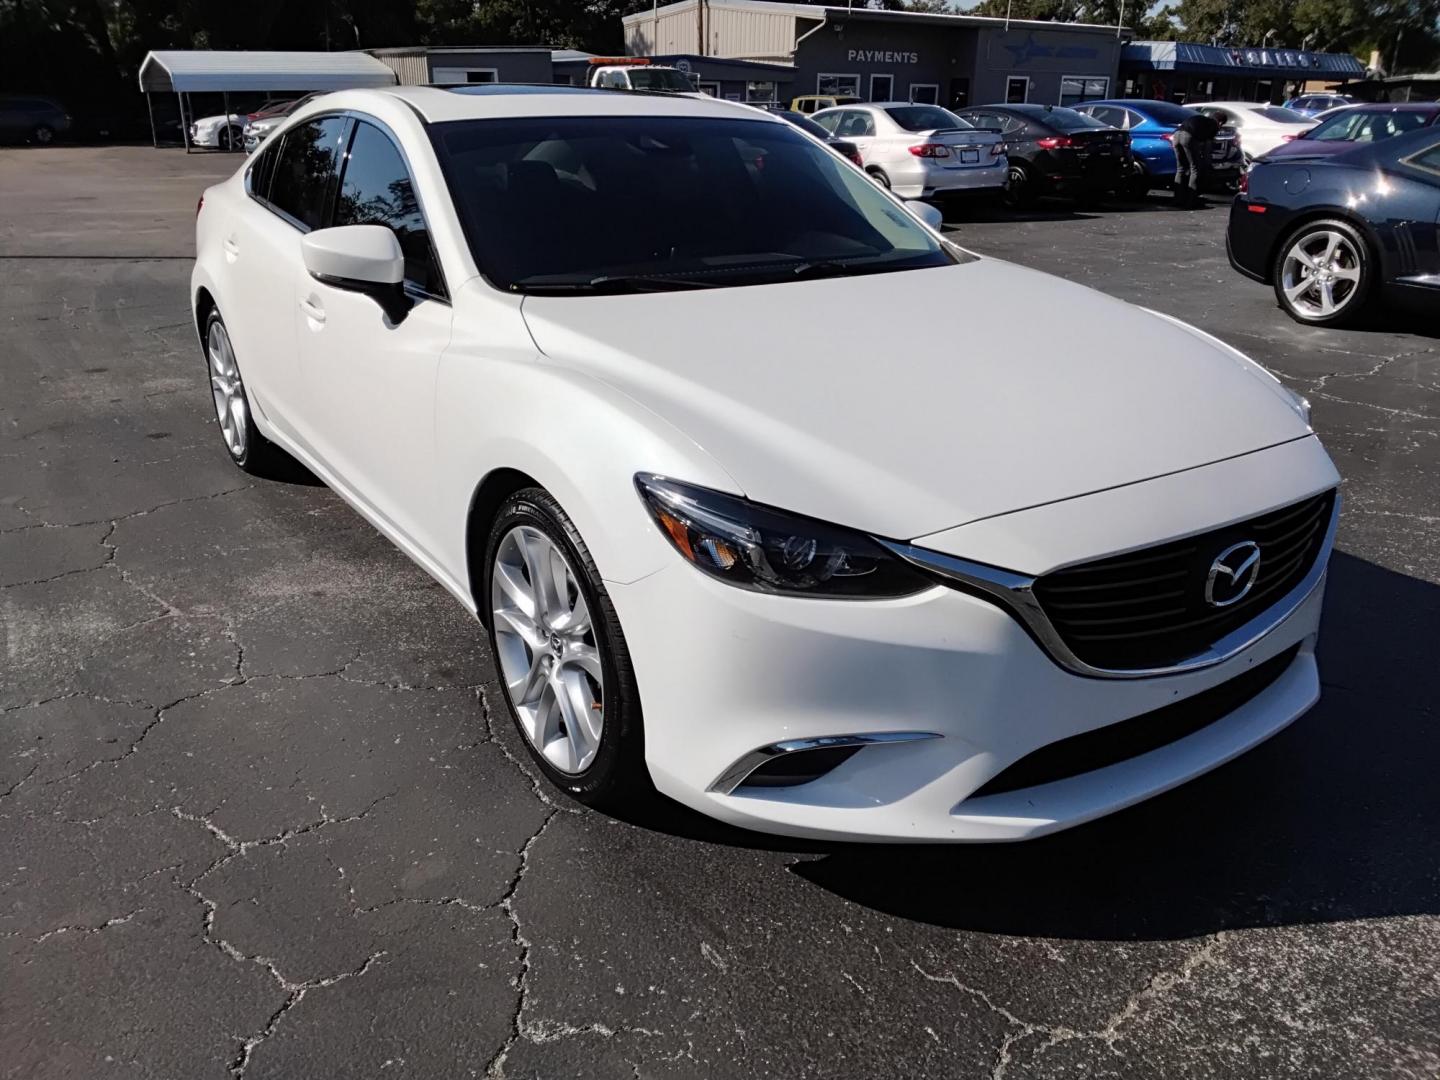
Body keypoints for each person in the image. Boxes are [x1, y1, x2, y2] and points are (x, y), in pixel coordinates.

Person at [1172, 110, 1220, 207]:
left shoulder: (1200, 118)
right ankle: (1191, 200)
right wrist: (1207, 163)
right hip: (1188, 137)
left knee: (1180, 169)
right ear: (1220, 122)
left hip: (1176, 135)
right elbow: (1207, 147)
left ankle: (1178, 199)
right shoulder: (1213, 125)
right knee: (1195, 169)